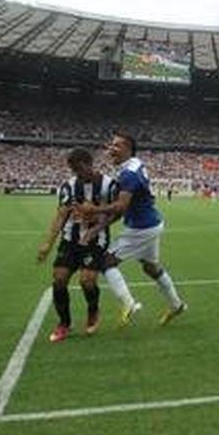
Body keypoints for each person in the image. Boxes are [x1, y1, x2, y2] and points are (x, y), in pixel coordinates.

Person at [77, 132, 187, 326]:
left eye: (117, 145)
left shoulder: (129, 173)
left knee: (106, 262)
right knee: (151, 267)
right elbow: (121, 208)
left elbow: (120, 207)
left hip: (141, 228)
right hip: (151, 224)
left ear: (128, 148)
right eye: (111, 145)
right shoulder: (132, 166)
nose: (112, 148)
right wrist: (98, 226)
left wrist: (94, 210)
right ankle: (176, 305)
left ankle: (129, 304)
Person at [35, 148, 114, 343]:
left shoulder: (109, 185)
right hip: (70, 239)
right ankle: (64, 323)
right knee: (59, 278)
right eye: (73, 170)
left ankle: (93, 311)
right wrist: (47, 244)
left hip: (95, 239)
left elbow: (116, 211)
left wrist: (97, 220)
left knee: (87, 280)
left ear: (88, 164)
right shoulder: (68, 187)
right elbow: (61, 215)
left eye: (78, 169)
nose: (75, 173)